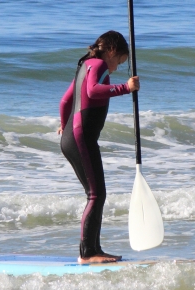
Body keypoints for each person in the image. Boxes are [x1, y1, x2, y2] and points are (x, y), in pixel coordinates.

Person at [58, 31, 140, 264]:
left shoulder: (85, 66)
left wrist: (64, 127)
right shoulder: (100, 65)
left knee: (95, 195)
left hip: (72, 137)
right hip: (81, 137)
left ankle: (93, 249)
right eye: (119, 62)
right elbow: (93, 91)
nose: (115, 68)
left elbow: (65, 101)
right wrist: (126, 88)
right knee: (96, 195)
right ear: (112, 51)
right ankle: (88, 253)